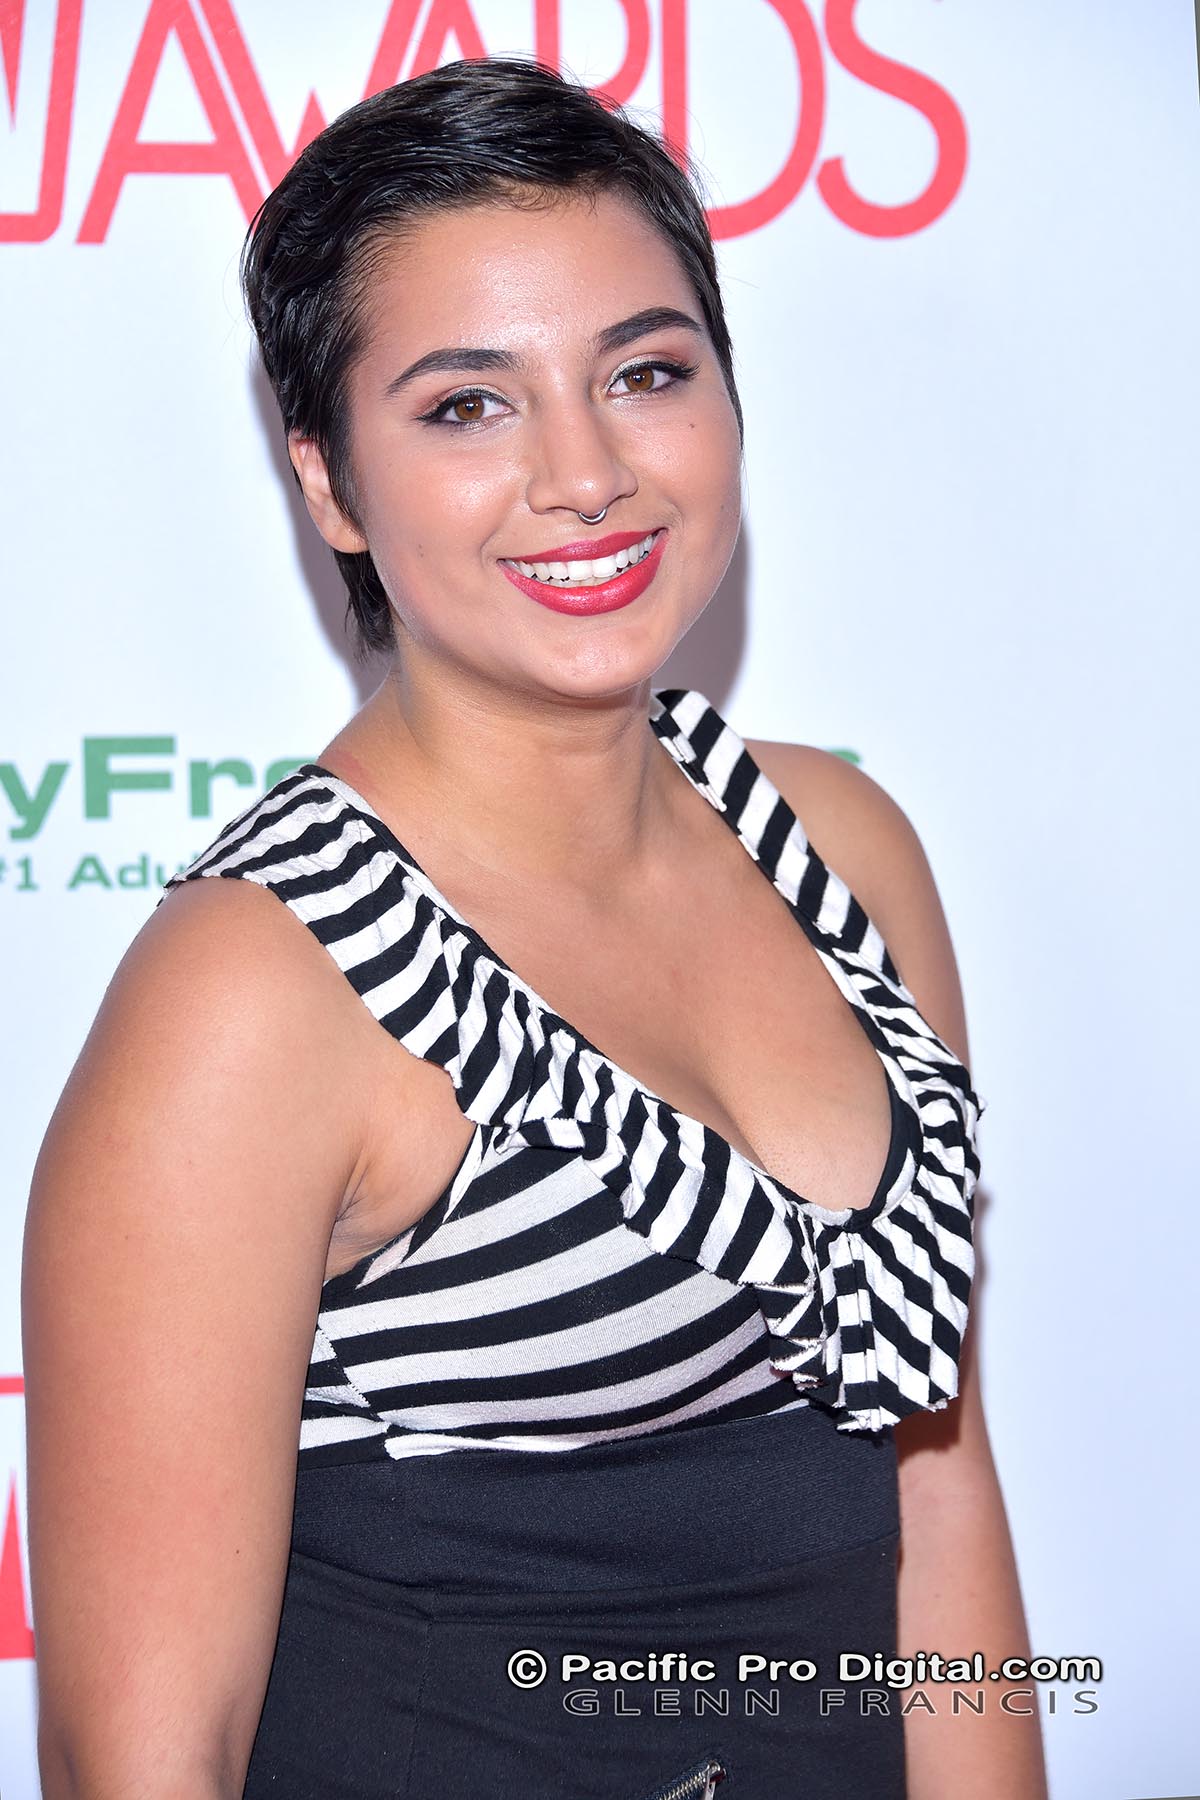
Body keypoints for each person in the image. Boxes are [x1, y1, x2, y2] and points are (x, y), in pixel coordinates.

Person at [22, 56, 1047, 1800]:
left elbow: (937, 1490)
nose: (586, 473)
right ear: (329, 484)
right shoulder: (262, 987)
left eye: (646, 373)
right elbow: (140, 1754)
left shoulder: (846, 848)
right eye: (466, 407)